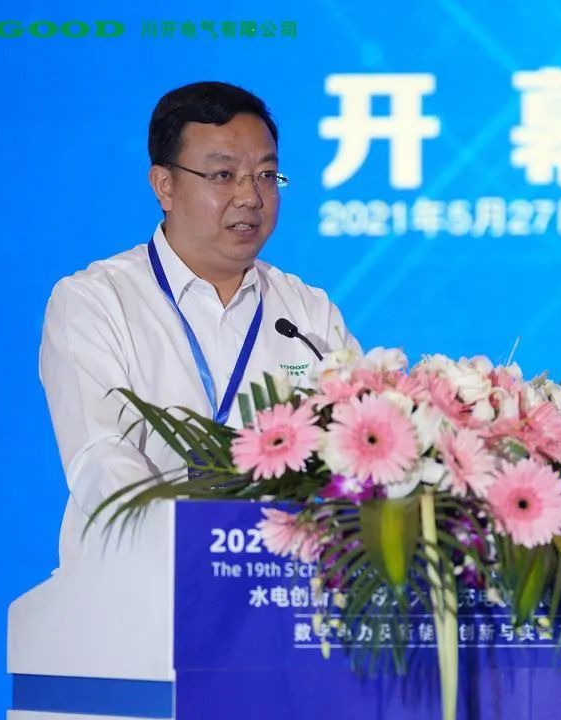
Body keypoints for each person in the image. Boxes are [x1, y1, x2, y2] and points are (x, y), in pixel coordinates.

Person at [40, 81, 360, 567]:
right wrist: (199, 548)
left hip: (276, 583)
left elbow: (356, 446)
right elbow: (100, 459)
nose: (250, 196)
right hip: (134, 586)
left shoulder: (307, 312)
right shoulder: (96, 301)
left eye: (266, 175)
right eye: (223, 175)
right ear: (164, 186)